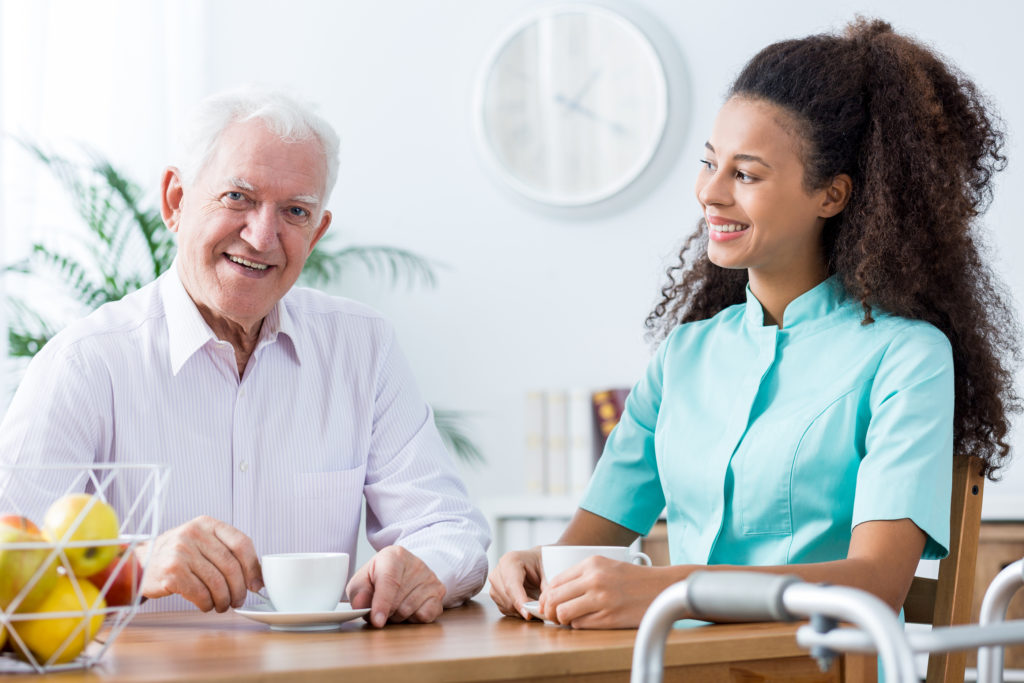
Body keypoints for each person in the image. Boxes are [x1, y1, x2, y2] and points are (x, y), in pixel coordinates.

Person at [490, 17, 1019, 629]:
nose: (710, 193)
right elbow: (588, 542)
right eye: (709, 163)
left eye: (744, 174)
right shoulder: (684, 355)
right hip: (679, 668)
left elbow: (875, 585)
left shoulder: (907, 357)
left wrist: (671, 589)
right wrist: (539, 564)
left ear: (833, 195)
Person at [0, 87, 490, 626]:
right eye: (238, 197)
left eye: (295, 211)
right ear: (175, 201)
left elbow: (451, 529)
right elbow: (8, 568)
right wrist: (134, 567)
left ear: (317, 232)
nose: (261, 236)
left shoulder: (362, 347)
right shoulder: (85, 363)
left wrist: (423, 568)